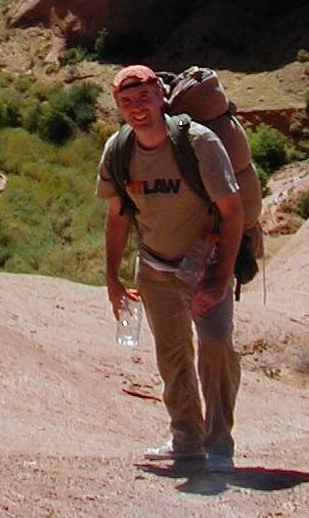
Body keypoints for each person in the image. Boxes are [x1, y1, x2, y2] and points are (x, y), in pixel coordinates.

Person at [98, 64, 244, 470]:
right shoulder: (119, 149)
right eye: (127, 102)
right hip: (155, 269)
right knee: (172, 356)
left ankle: (219, 445)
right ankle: (185, 439)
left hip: (206, 265)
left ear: (161, 96)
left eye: (144, 97)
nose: (137, 108)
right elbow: (118, 215)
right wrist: (112, 278)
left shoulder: (198, 143)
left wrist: (219, 280)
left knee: (215, 347)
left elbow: (233, 211)